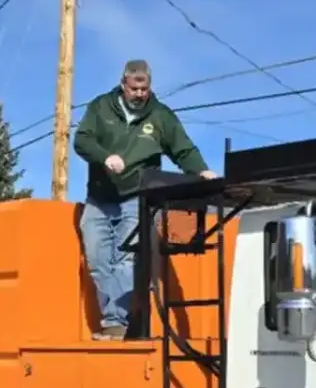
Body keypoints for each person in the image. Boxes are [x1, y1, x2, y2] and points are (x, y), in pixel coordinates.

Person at [72, 59, 219, 337]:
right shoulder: (101, 107)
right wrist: (105, 157)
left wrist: (201, 170)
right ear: (123, 84)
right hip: (100, 198)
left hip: (136, 197)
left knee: (127, 258)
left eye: (145, 89)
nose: (140, 94)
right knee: (98, 260)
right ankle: (121, 317)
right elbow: (82, 140)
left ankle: (116, 323)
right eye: (134, 88)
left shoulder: (160, 116)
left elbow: (182, 149)